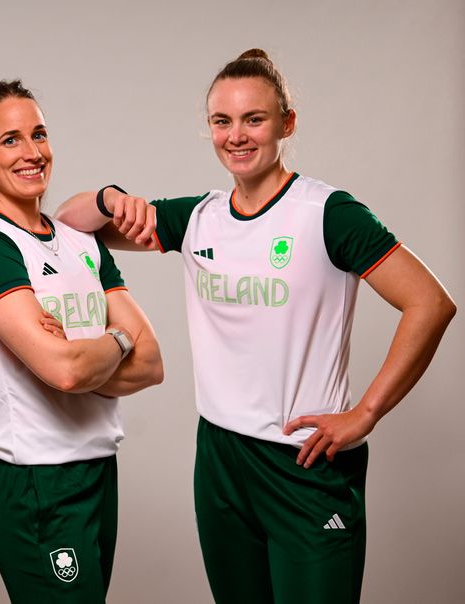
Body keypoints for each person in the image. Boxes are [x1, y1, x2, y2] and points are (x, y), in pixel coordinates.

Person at [55, 49, 457, 603]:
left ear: (286, 124)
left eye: (254, 119)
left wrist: (365, 414)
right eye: (222, 121)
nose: (236, 136)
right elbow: (70, 227)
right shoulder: (199, 217)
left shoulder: (327, 214)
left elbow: (431, 304)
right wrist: (110, 196)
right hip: (220, 458)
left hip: (303, 462)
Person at [0, 80, 164, 604]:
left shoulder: (79, 242)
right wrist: (115, 338)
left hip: (97, 471)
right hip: (34, 482)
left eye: (39, 134)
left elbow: (153, 363)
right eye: (11, 140)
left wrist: (82, 352)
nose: (32, 152)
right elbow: (65, 370)